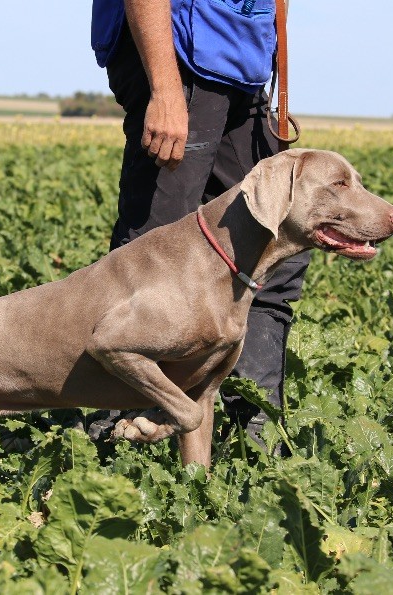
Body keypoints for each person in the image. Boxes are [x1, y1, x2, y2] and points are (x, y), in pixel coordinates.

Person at [88, 0, 310, 446]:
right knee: (154, 256)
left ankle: (257, 435)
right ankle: (119, 433)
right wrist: (166, 91)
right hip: (183, 64)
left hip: (240, 72)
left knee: (270, 250)